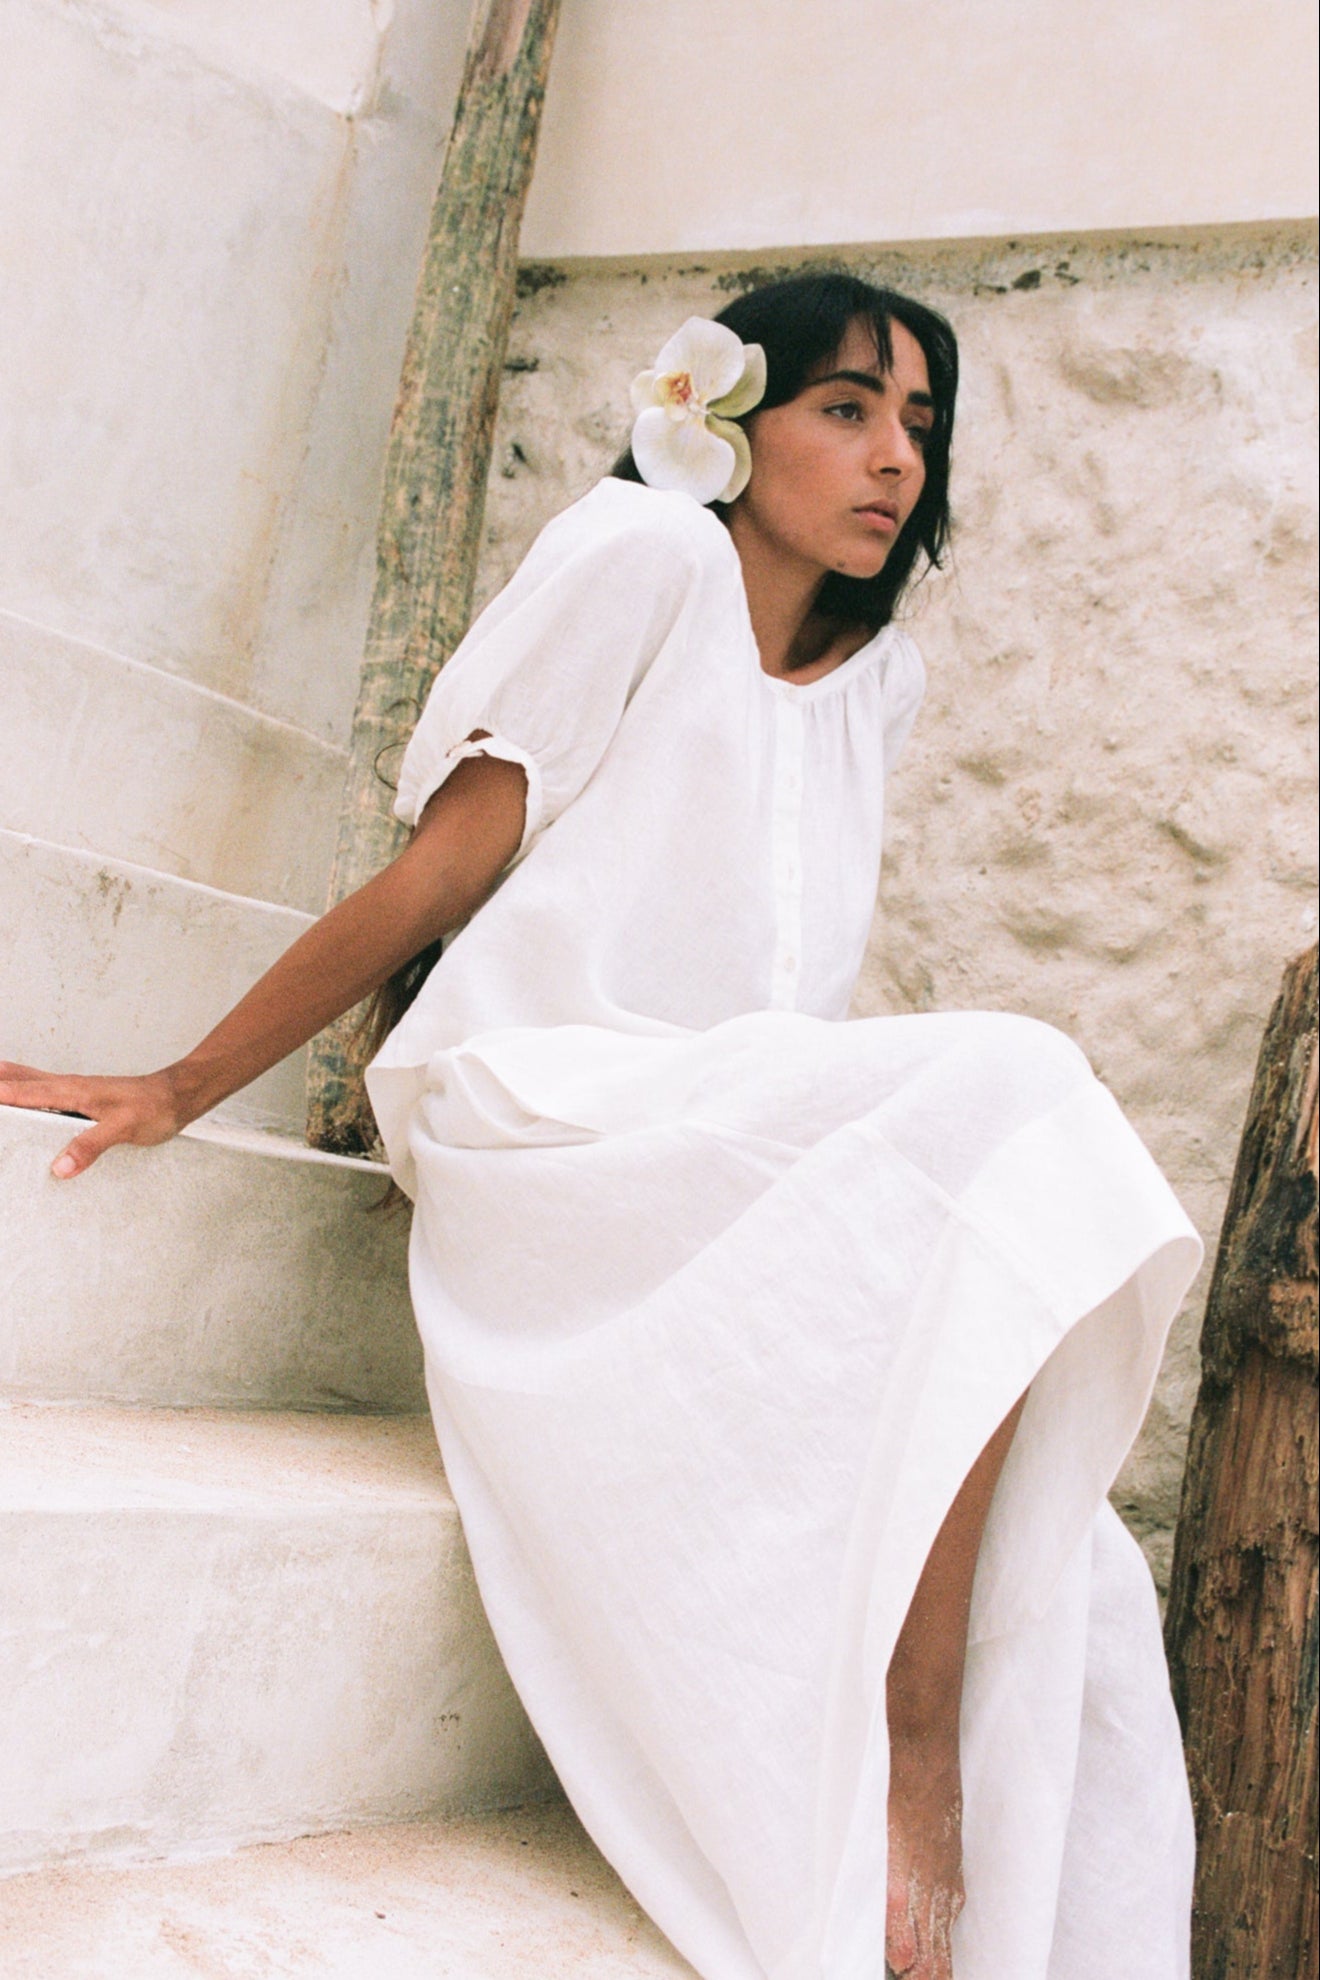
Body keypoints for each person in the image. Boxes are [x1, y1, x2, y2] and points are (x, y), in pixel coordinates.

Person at [0, 273, 1204, 1979]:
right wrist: (183, 1083)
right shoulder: (637, 561)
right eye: (845, 409)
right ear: (724, 424)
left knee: (1078, 1564)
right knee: (1015, 1087)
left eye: (918, 427)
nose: (890, 461)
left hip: (710, 1151)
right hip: (540, 1112)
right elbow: (447, 868)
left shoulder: (885, 684)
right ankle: (904, 1757)